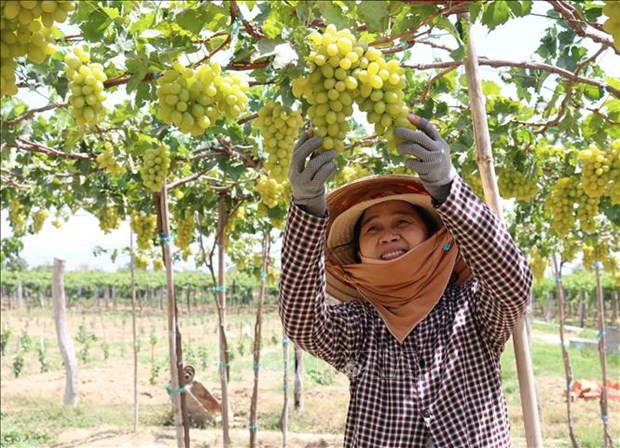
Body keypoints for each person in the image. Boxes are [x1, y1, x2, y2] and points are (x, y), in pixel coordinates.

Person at [278, 114, 533, 447]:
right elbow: (302, 323)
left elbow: (512, 283)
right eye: (373, 229)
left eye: (402, 221)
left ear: (434, 237)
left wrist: (448, 188)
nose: (389, 235)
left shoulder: (471, 309)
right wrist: (307, 209)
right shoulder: (358, 325)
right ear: (358, 256)